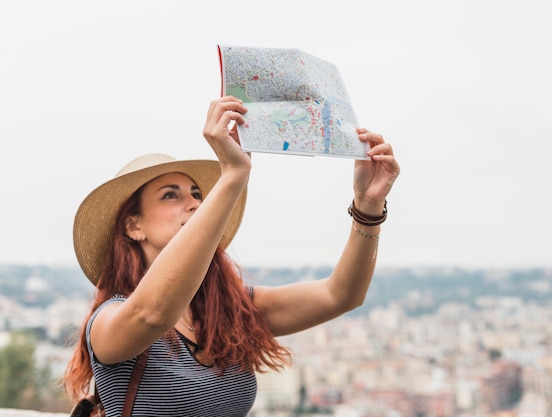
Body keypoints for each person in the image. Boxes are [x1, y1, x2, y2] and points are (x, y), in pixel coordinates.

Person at [64, 95, 400, 416]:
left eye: (198, 194)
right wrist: (234, 175)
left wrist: (367, 209)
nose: (194, 203)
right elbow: (152, 314)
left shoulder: (228, 310)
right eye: (170, 196)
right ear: (134, 226)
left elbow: (340, 295)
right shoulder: (109, 321)